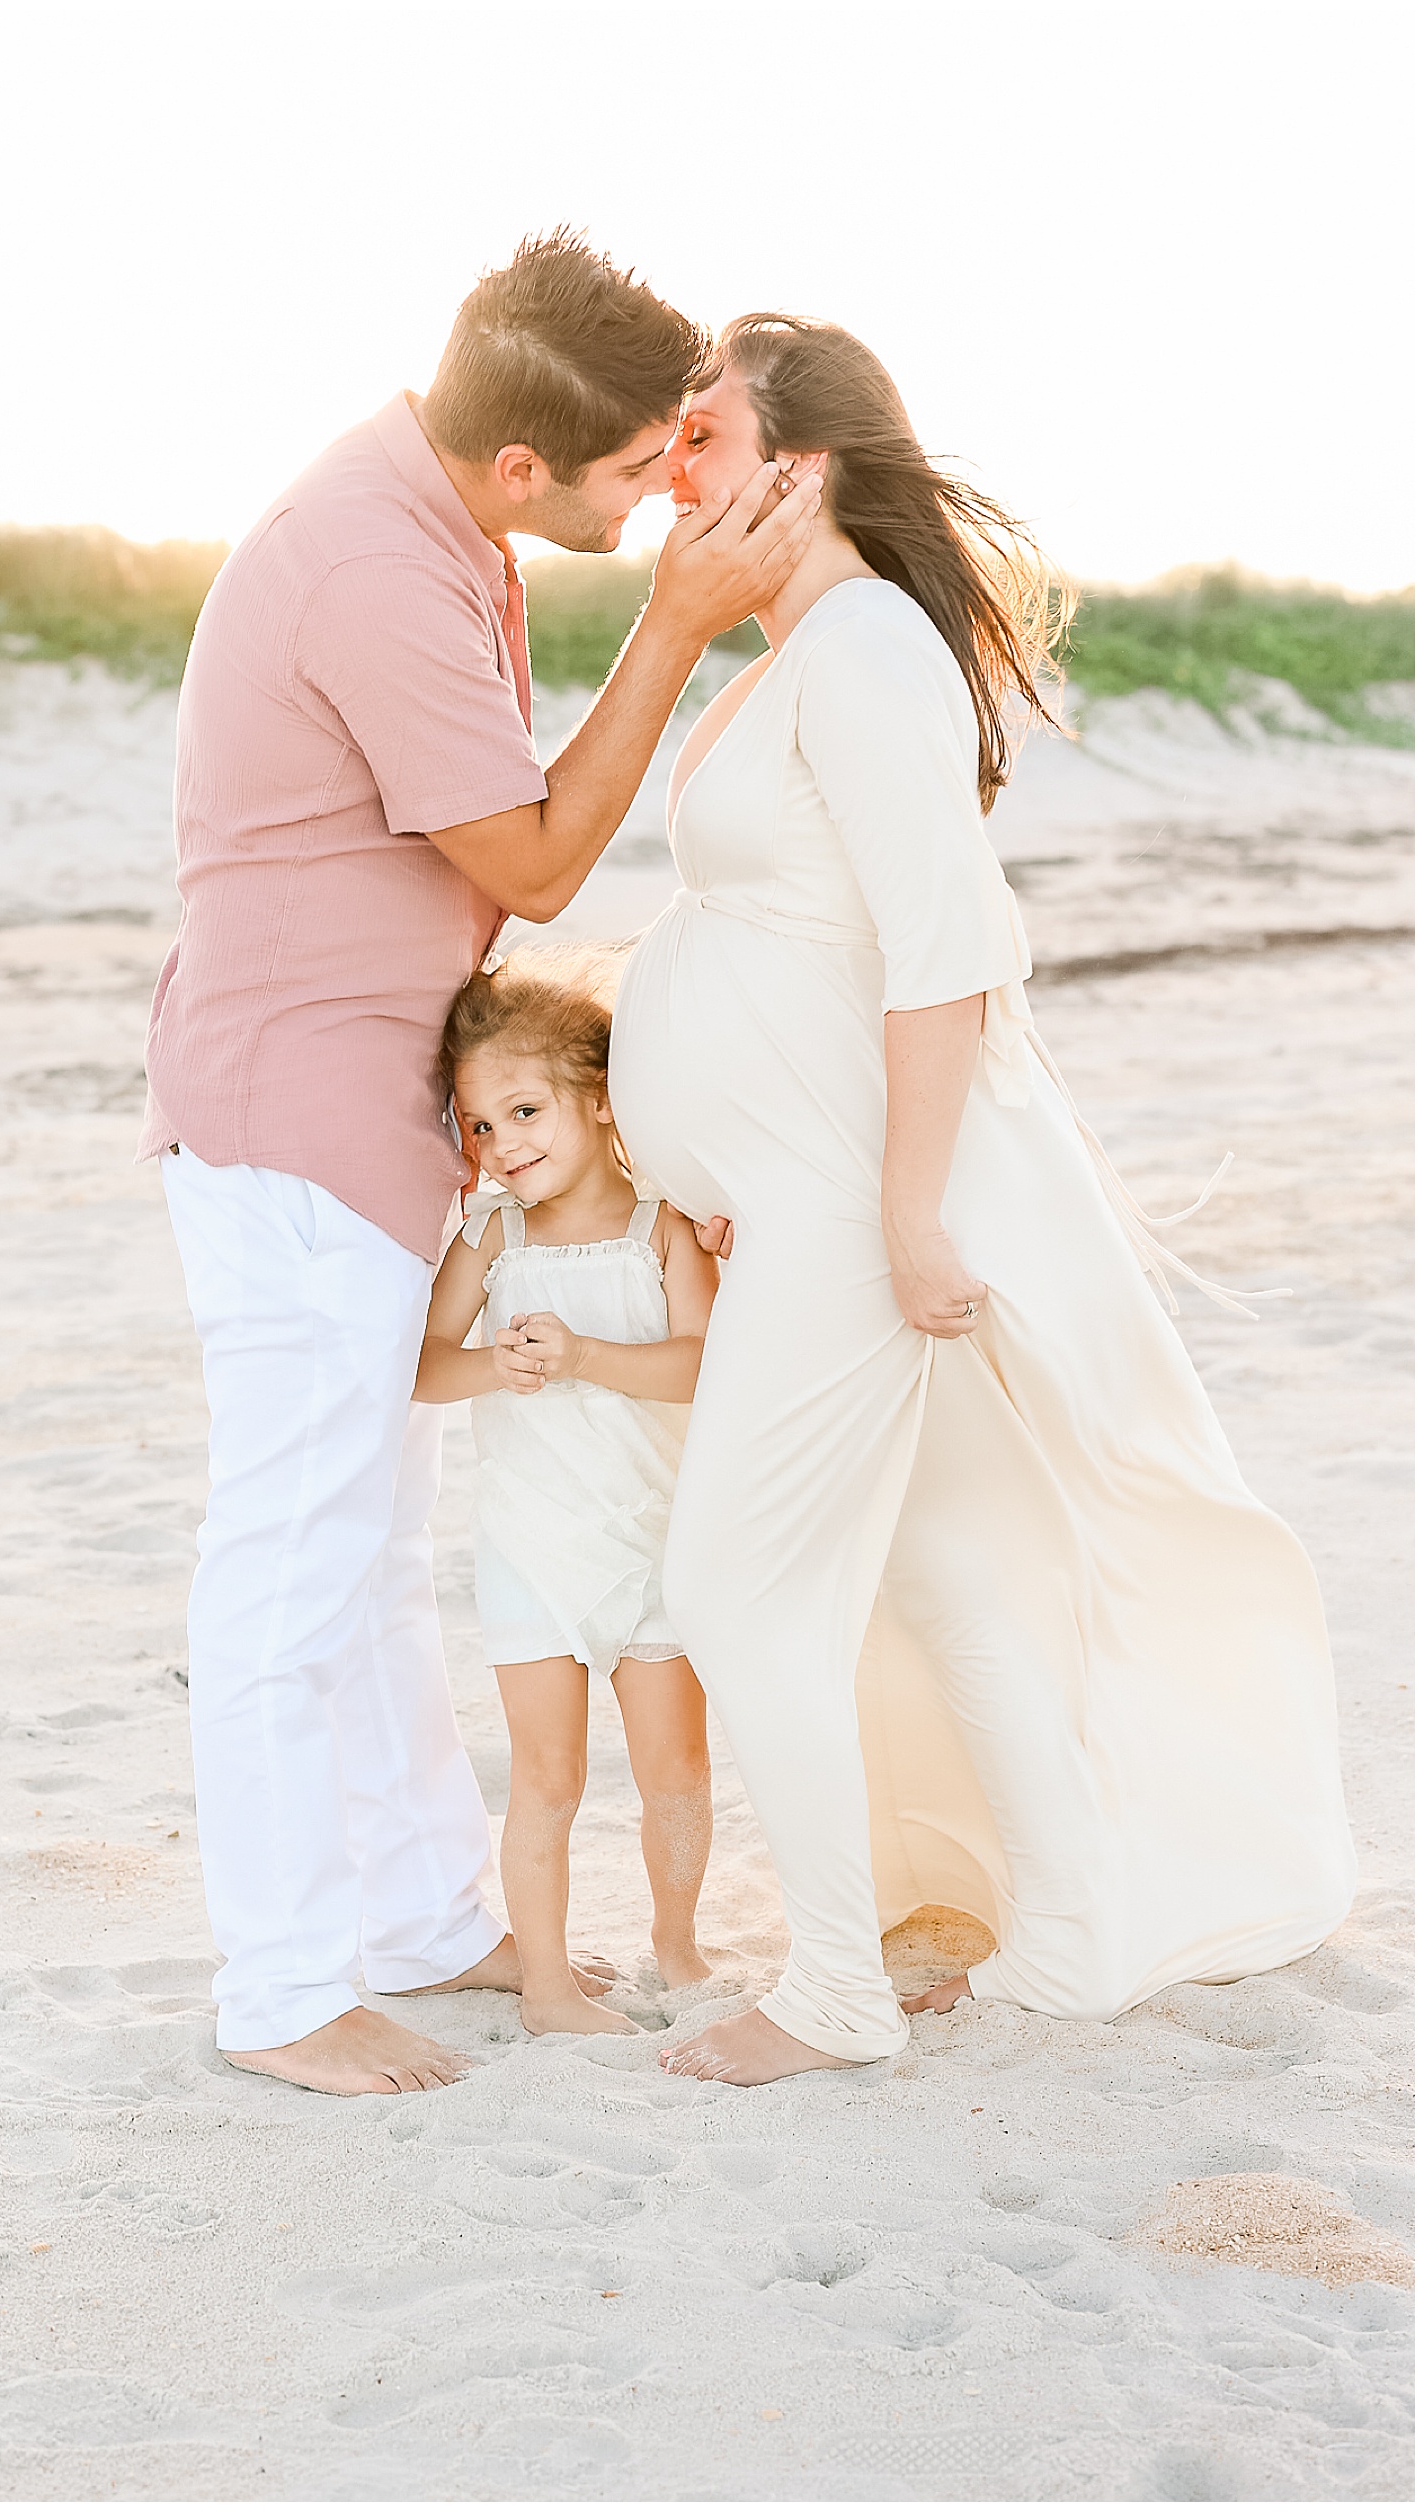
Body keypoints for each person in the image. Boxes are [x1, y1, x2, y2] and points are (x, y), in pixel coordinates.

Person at [606, 314, 1359, 2086]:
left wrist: (909, 1209)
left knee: (733, 1579)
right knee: (947, 1562)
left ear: (803, 465)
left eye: (703, 434)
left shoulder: (863, 645)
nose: (670, 462)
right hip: (797, 1194)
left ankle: (832, 1993)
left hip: (849, 1212)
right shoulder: (794, 648)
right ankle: (1075, 1936)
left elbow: (942, 950)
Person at [142, 238, 821, 2096]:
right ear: (525, 468)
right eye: (630, 469)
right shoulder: (373, 564)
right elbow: (528, 869)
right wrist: (677, 625)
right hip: (296, 1126)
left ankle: (438, 1922)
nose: (657, 490)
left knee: (364, 1557)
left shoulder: (433, 522)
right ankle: (285, 1990)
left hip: (357, 1122)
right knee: (291, 1564)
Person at [415, 951, 719, 2037]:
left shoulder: (662, 1230)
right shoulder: (491, 1238)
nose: (502, 1145)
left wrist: (585, 1353)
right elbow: (418, 1366)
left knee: (675, 1767)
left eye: (525, 1109)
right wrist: (499, 1365)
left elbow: (704, 1366)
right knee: (545, 1777)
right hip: (532, 1549)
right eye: (480, 1125)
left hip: (654, 1542)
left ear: (597, 1100)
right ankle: (545, 1982)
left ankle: (677, 1946)